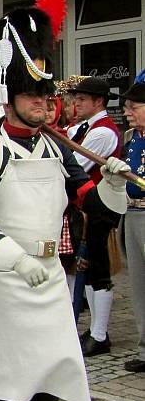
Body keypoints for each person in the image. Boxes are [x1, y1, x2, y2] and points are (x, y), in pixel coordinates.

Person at [0, 0, 130, 401]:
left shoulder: (56, 144)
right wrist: (17, 259)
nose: (42, 104)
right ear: (10, 98)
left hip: (51, 270)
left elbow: (86, 200)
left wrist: (110, 182)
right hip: (3, 272)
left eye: (45, 96)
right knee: (1, 367)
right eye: (31, 96)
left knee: (57, 358)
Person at [66, 76, 123, 356]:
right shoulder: (82, 128)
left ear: (98, 102)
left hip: (99, 209)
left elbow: (75, 166)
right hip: (85, 208)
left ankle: (100, 334)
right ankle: (95, 331)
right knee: (86, 270)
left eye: (82, 99)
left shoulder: (102, 132)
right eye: (75, 99)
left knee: (97, 270)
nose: (76, 103)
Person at [120, 71, 145, 373]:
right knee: (138, 285)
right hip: (132, 212)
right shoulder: (129, 138)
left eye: (133, 108)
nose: (127, 113)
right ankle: (144, 347)